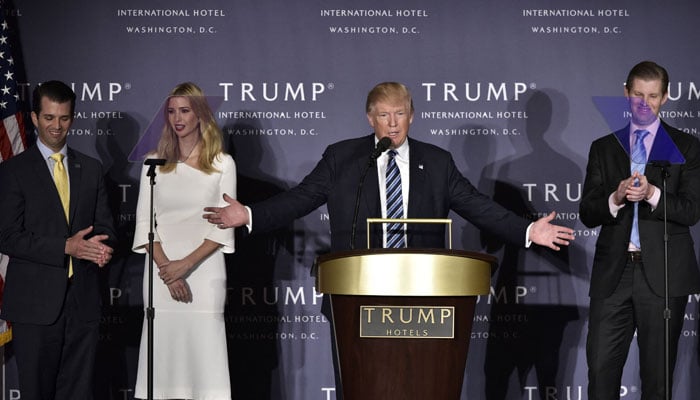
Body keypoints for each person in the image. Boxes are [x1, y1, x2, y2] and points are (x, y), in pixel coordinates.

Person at [204, 81, 573, 251]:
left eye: (399, 114)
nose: (392, 124)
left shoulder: (437, 162)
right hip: (355, 285)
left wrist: (528, 231)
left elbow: (479, 207)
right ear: (370, 119)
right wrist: (250, 214)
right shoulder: (343, 157)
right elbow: (300, 198)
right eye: (384, 115)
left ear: (412, 116)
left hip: (423, 290)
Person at [580, 61, 700, 399]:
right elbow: (587, 212)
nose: (644, 104)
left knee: (657, 380)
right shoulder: (604, 147)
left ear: (665, 97)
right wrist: (615, 197)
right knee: (601, 372)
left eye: (652, 96)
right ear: (625, 94)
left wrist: (652, 194)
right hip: (613, 277)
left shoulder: (687, 148)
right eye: (637, 95)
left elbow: (691, 211)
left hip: (663, 276)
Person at [0, 80, 115, 400]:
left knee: (78, 392)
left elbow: (106, 226)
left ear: (73, 119)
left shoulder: (91, 168)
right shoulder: (13, 171)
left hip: (83, 303)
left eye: (64, 118)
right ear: (35, 118)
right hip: (34, 306)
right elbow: (7, 236)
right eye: (49, 118)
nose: (56, 126)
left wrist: (102, 248)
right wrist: (65, 246)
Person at [132, 82, 236, 399]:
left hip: (204, 276)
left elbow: (223, 225)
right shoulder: (153, 163)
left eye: (185, 110)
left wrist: (185, 265)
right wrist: (167, 269)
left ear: (200, 114)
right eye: (172, 111)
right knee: (162, 365)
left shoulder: (222, 163)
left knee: (205, 367)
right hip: (161, 276)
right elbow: (144, 223)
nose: (178, 118)